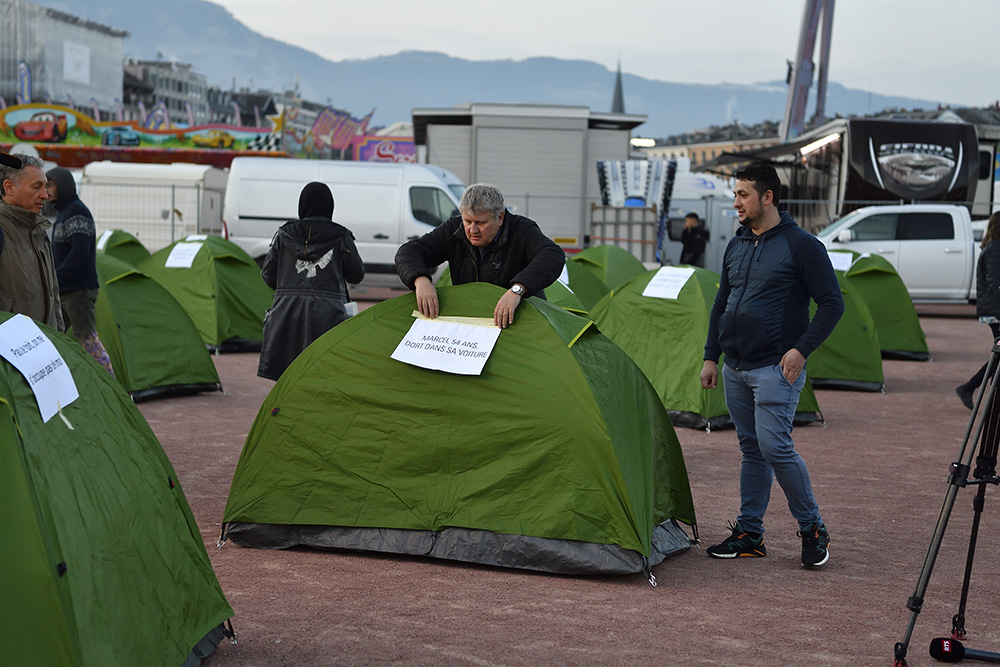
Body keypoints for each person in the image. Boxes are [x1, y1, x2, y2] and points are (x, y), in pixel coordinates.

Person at [700, 162, 844, 568]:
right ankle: (750, 534)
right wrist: (712, 356)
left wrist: (801, 350)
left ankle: (813, 529)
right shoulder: (738, 243)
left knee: (776, 446)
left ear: (768, 197)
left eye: (743, 194)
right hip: (735, 366)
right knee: (752, 450)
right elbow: (720, 303)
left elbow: (833, 304)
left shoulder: (802, 245)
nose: (736, 202)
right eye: (735, 194)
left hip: (775, 369)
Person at [394, 183, 565, 328]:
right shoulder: (453, 229)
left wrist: (517, 290)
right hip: (473, 324)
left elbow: (553, 255)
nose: (472, 230)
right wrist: (421, 280)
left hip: (522, 324)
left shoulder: (522, 230)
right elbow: (408, 251)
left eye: (481, 223)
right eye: (467, 221)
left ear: (500, 218)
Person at [257, 181, 365, 380]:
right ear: (329, 206)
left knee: (288, 377)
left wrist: (289, 286)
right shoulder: (341, 236)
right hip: (329, 317)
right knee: (325, 375)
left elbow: (267, 275)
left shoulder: (284, 235)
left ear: (302, 206)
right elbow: (356, 275)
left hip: (287, 317)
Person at [46, 166, 115, 376]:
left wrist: (57, 277)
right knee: (54, 336)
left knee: (88, 340)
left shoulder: (76, 211)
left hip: (78, 291)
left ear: (63, 186)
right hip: (66, 289)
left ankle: (111, 386)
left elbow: (80, 251)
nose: (46, 190)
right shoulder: (64, 212)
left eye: (50, 184)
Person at [0, 152, 63, 331]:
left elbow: (54, 294)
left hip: (44, 346)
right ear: (9, 187)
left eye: (45, 186)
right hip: (10, 352)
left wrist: (59, 340)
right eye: (36, 187)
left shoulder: (39, 231)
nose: (45, 195)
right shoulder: (2, 231)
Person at [956, 210, 1000, 409]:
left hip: (992, 310)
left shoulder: (992, 248)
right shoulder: (995, 250)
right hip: (996, 311)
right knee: (998, 355)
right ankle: (969, 387)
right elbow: (996, 285)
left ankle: (970, 387)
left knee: (998, 355)